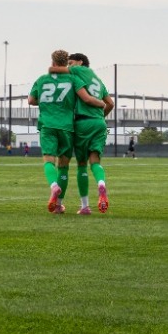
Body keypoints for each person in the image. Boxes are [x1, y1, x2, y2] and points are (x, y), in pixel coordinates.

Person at [30, 50, 80, 213]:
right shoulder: (73, 79)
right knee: (64, 166)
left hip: (48, 125)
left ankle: (53, 186)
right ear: (66, 63)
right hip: (66, 126)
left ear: (52, 62)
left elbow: (31, 100)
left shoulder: (42, 79)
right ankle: (58, 204)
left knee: (48, 160)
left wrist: (47, 102)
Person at [67, 52, 115, 214]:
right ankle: (101, 183)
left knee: (81, 165)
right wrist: (101, 116)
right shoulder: (98, 80)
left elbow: (58, 71)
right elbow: (110, 103)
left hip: (83, 122)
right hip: (99, 123)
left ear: (80, 62)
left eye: (71, 62)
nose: (69, 66)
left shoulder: (77, 71)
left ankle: (85, 206)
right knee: (95, 160)